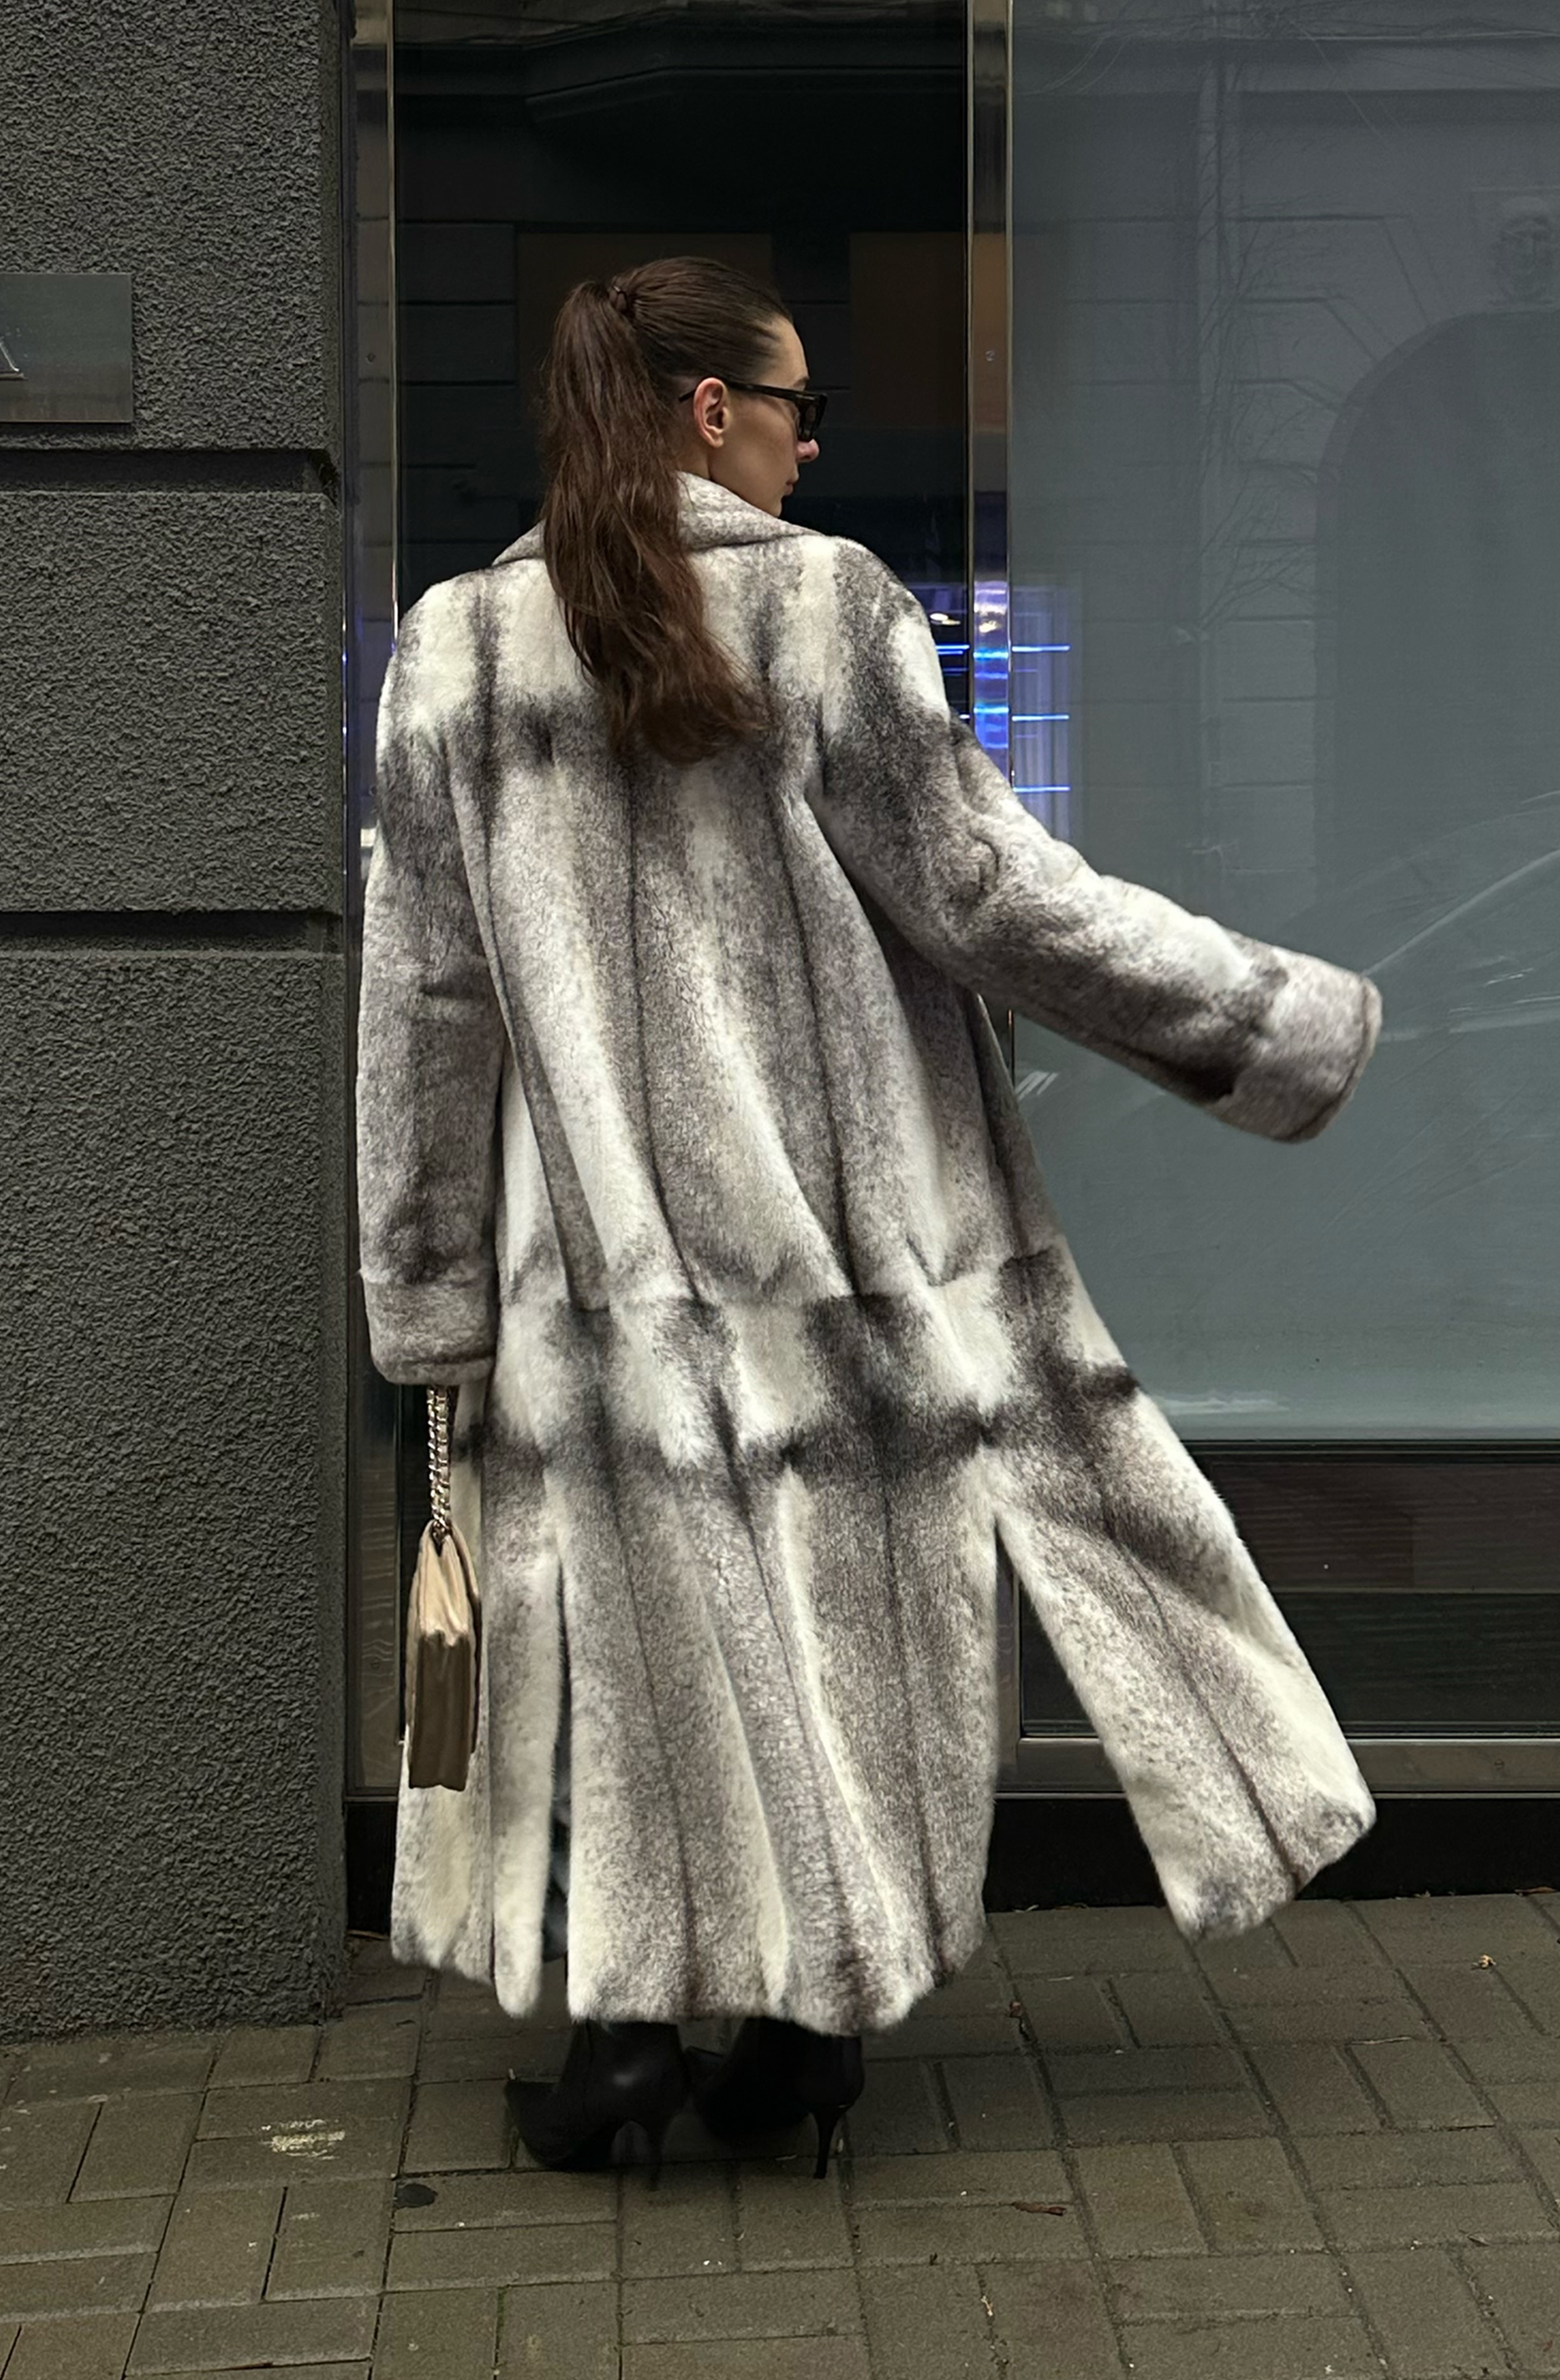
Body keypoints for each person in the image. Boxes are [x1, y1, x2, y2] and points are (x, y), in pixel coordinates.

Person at [354, 255, 1381, 2179]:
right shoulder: (830, 610)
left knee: (633, 1652)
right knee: (839, 1644)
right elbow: (994, 896)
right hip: (845, 1264)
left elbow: (424, 1004)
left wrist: (428, 1293)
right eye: (795, 405)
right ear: (707, 413)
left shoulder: (456, 650)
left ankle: (625, 2043)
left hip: (596, 1282)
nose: (813, 444)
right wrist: (1268, 1020)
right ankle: (803, 2038)